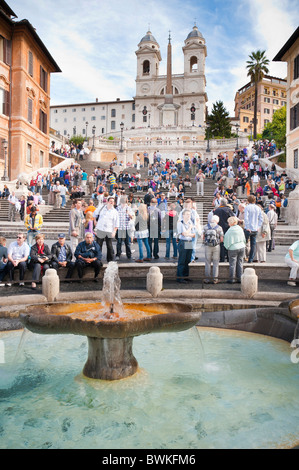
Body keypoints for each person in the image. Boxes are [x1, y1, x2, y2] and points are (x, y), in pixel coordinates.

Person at [94, 195, 119, 262]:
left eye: (113, 202)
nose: (111, 203)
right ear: (107, 201)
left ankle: (110, 260)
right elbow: (95, 214)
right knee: (98, 245)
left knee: (109, 245)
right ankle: (98, 258)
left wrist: (114, 231)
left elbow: (116, 223)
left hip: (109, 230)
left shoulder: (115, 212)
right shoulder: (101, 207)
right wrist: (95, 221)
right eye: (110, 201)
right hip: (100, 229)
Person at [224, 216, 246, 284]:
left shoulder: (229, 230)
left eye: (228, 222)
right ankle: (240, 278)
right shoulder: (240, 228)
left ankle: (232, 279)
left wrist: (227, 247)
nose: (228, 224)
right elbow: (244, 238)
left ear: (230, 223)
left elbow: (226, 240)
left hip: (233, 248)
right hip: (242, 247)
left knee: (232, 264)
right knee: (240, 263)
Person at [202, 215, 224, 284]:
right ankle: (215, 279)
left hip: (208, 246)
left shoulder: (205, 227)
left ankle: (207, 279)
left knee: (207, 262)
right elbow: (221, 239)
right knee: (216, 262)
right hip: (216, 246)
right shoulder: (219, 227)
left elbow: (202, 237)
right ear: (217, 221)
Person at [176, 209, 196, 284]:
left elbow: (194, 235)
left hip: (189, 242)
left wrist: (188, 233)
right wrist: (190, 229)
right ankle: (180, 277)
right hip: (183, 242)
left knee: (187, 260)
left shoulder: (190, 222)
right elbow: (184, 233)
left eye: (189, 214)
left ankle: (185, 276)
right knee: (182, 260)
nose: (188, 216)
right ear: (183, 215)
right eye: (187, 214)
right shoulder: (180, 223)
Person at [243, 195, 263, 263]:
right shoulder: (258, 208)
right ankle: (250, 259)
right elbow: (261, 219)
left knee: (243, 243)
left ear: (248, 200)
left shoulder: (247, 207)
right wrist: (258, 227)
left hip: (248, 228)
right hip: (255, 228)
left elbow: (246, 218)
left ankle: (242, 257)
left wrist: (248, 227)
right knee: (253, 245)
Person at [116, 196, 134, 260]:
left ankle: (129, 255)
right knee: (119, 242)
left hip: (127, 227)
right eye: (123, 202)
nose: (124, 203)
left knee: (127, 243)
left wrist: (128, 213)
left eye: (125, 202)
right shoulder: (117, 208)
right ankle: (118, 254)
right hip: (120, 227)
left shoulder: (128, 208)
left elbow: (132, 217)